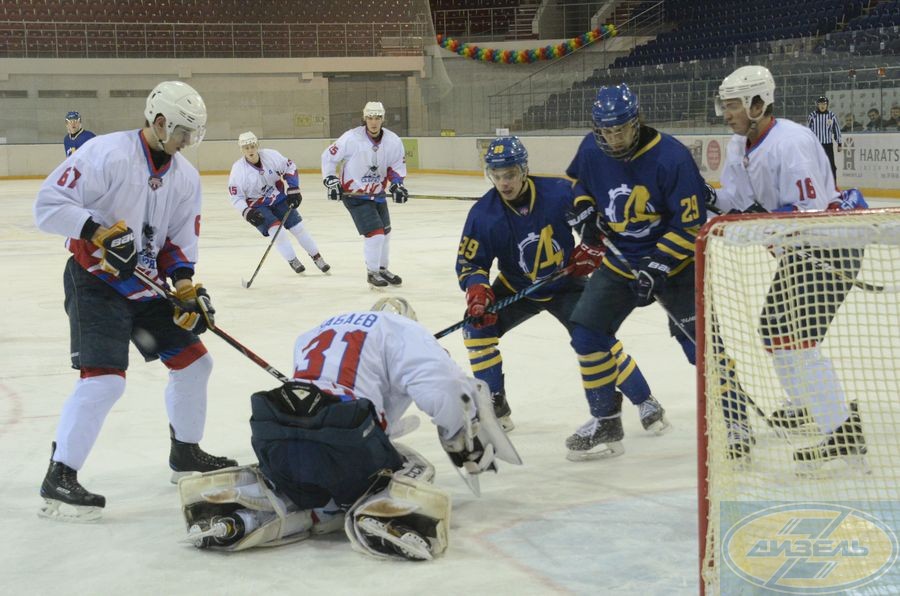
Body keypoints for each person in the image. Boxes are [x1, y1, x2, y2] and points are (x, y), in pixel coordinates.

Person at [176, 297, 521, 560]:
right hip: (345, 440)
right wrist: (458, 431)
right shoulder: (404, 330)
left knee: (304, 477)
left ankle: (248, 513)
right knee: (411, 463)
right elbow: (444, 390)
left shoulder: (316, 331)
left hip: (275, 430)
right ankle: (385, 512)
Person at [33, 81, 237, 522]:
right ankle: (59, 475)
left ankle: (185, 454)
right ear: (159, 122)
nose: (188, 142)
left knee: (195, 363)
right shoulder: (106, 153)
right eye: (183, 131)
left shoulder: (185, 177)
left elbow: (177, 242)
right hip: (95, 282)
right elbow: (47, 205)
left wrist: (185, 288)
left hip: (145, 288)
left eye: (195, 134)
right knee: (105, 381)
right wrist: (97, 232)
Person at [456, 135, 669, 458]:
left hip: (565, 283)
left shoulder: (558, 192)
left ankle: (645, 401)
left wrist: (593, 248)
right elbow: (471, 262)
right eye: (496, 176)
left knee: (597, 339)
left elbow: (599, 222)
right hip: (517, 287)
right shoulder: (484, 214)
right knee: (476, 329)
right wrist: (477, 291)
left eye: (509, 174)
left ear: (524, 170)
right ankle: (496, 404)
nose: (503, 183)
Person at [708, 65, 869, 469]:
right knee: (774, 329)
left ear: (758, 104)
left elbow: (806, 213)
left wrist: (751, 226)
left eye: (734, 105)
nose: (727, 114)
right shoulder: (739, 145)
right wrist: (703, 199)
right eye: (725, 105)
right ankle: (805, 403)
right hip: (797, 252)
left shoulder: (792, 142)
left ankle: (843, 432)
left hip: (827, 248)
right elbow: (736, 202)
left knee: (797, 339)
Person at [564, 83, 706, 461]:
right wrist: (583, 209)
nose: (613, 138)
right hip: (620, 261)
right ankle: (606, 421)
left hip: (677, 266)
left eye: (620, 130)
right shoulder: (592, 149)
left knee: (700, 347)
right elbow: (579, 184)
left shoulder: (672, 157)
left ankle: (732, 418)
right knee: (587, 334)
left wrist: (658, 266)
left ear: (636, 122)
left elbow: (690, 225)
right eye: (606, 131)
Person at [320, 101, 408, 289]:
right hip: (355, 196)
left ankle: (382, 269)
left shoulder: (393, 141)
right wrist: (331, 180)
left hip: (377, 194)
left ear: (383, 119)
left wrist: (397, 185)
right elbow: (328, 157)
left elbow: (396, 166)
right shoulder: (351, 138)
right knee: (375, 234)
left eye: (377, 118)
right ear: (364, 118)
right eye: (370, 118)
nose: (373, 122)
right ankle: (372, 272)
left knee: (386, 233)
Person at [228, 132, 330, 274]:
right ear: (241, 149)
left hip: (279, 198)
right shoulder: (238, 170)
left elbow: (290, 167)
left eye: (252, 146)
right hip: (258, 205)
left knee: (298, 228)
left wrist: (293, 188)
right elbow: (236, 197)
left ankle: (317, 257)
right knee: (277, 232)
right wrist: (247, 212)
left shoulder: (271, 156)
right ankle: (292, 260)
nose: (250, 150)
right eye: (246, 148)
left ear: (257, 145)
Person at [807, 96, 842, 184]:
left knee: (831, 166)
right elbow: (808, 130)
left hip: (828, 145)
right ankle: (816, 185)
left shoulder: (831, 115)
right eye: (820, 104)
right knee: (815, 165)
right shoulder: (812, 116)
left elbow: (836, 129)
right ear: (817, 105)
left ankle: (833, 186)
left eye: (824, 104)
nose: (822, 106)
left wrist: (839, 143)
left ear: (827, 105)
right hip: (816, 145)